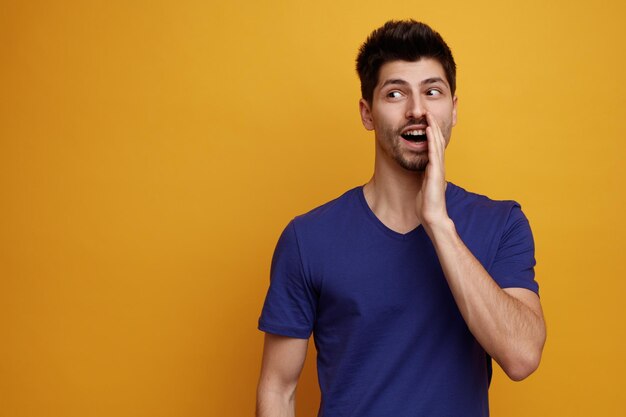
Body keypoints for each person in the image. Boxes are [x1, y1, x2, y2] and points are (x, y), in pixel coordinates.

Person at [256, 19, 546, 417]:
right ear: (367, 113)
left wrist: (438, 224)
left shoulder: (501, 224)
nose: (417, 111)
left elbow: (522, 357)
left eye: (432, 92)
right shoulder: (308, 239)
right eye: (395, 94)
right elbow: (278, 389)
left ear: (454, 109)